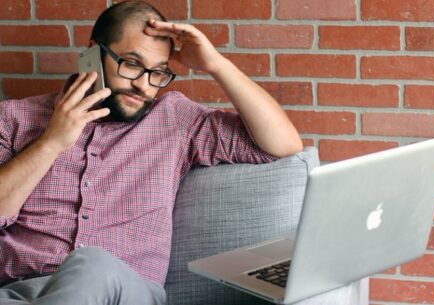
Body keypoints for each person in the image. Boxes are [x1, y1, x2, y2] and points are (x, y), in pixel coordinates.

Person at [0, 1, 303, 304]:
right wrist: (51, 142)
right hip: (18, 293)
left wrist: (215, 64)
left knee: (91, 264)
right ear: (94, 53)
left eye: (158, 73)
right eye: (131, 64)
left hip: (124, 292)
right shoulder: (14, 118)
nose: (144, 85)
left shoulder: (174, 121)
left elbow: (283, 144)